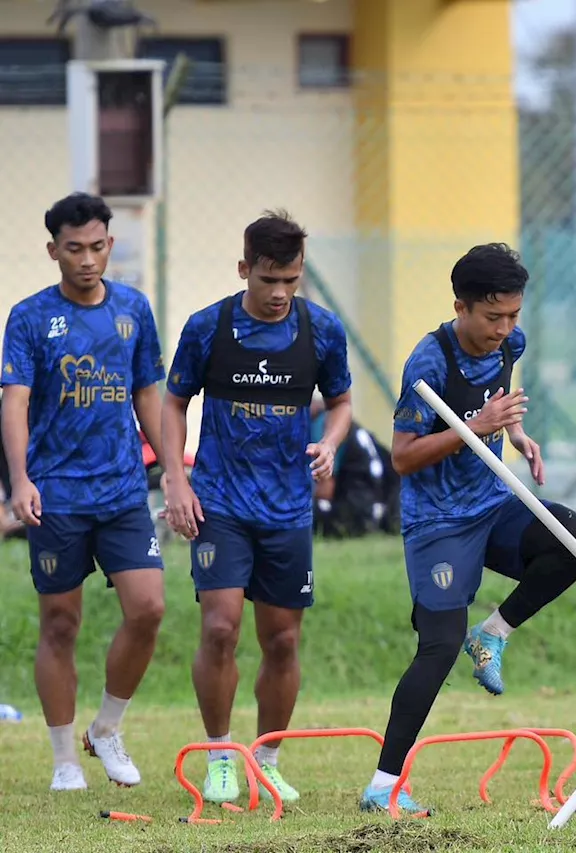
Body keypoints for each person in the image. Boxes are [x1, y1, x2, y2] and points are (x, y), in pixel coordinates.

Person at [359, 243, 576, 814]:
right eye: (493, 317)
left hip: (492, 504)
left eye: (514, 315)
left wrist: (514, 434)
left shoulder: (509, 343)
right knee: (437, 648)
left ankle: (493, 632)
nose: (505, 328)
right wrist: (476, 424)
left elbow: (498, 401)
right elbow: (403, 457)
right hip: (438, 522)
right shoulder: (429, 362)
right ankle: (384, 784)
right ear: (461, 307)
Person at [161, 211, 353, 805]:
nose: (278, 294)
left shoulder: (321, 330)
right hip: (218, 501)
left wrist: (331, 441)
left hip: (287, 508)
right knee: (220, 628)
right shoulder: (207, 328)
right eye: (268, 279)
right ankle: (221, 755)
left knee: (284, 642)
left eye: (290, 281)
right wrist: (176, 482)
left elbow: (342, 401)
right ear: (245, 269)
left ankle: (265, 758)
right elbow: (172, 405)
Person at [1, 192, 167, 791]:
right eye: (75, 249)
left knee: (148, 608)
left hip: (123, 488)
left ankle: (107, 728)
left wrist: (172, 469)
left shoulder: (133, 309)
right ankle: (64, 758)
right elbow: (14, 402)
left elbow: (148, 392)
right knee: (61, 624)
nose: (88, 259)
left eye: (98, 246)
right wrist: (19, 481)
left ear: (110, 245)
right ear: (54, 251)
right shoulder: (28, 317)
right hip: (57, 496)